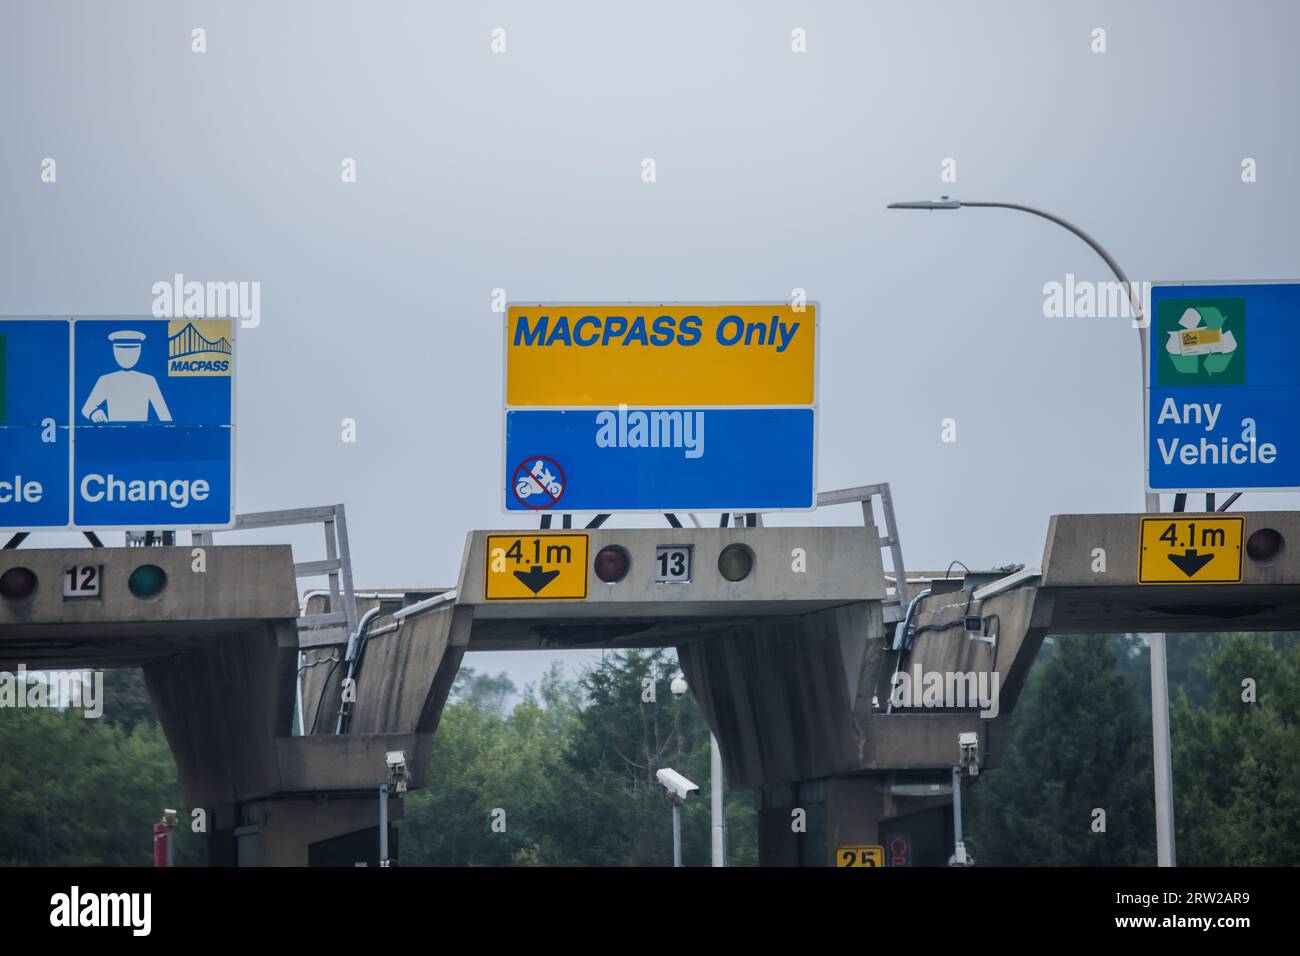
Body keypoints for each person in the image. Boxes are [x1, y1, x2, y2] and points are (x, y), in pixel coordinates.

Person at [81, 330, 172, 423]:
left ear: (139, 351)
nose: (127, 355)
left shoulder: (148, 380)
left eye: (133, 350)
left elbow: (164, 416)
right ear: (114, 351)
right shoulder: (106, 380)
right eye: (120, 350)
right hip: (113, 433)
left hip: (142, 433)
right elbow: (86, 408)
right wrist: (94, 412)